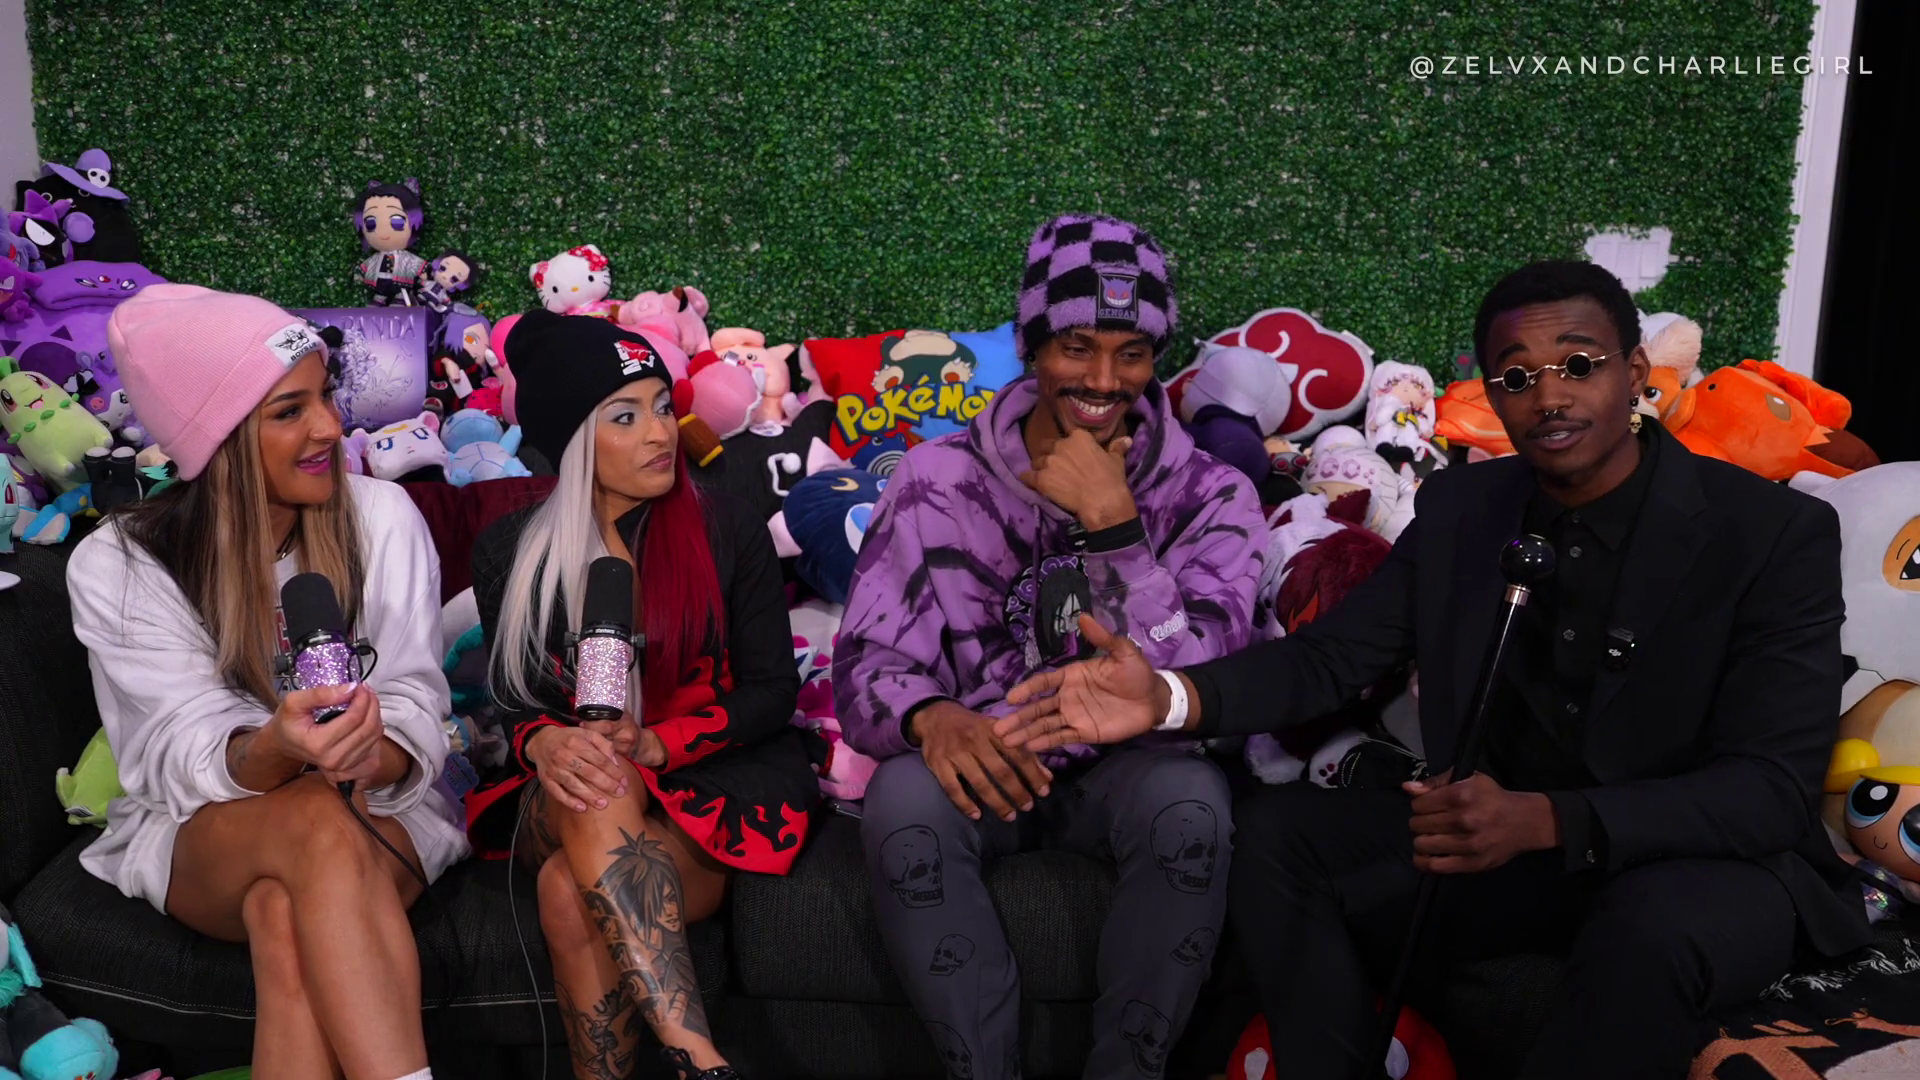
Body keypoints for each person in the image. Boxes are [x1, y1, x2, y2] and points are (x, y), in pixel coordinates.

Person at [995, 259, 1872, 1080]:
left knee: (1648, 931)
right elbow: (1333, 657)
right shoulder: (1466, 507)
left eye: (1578, 365)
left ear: (1636, 371)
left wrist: (1551, 819)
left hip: (1701, 861)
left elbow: (1770, 790)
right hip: (1507, 845)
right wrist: (1165, 697)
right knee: (1279, 835)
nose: (1550, 397)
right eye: (1517, 377)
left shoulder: (1768, 533)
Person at [836, 214, 1268, 1080]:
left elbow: (1211, 685)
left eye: (1131, 353)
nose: (1104, 380)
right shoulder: (934, 480)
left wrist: (1116, 528)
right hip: (989, 757)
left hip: (1132, 767)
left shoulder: (1213, 494)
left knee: (1192, 799)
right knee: (904, 796)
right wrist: (932, 717)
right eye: (1076, 347)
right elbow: (866, 666)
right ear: (1030, 347)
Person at [69, 285, 468, 1080]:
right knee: (313, 815)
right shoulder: (119, 563)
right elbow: (173, 751)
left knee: (284, 914)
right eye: (290, 411)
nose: (331, 427)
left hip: (381, 808)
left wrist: (373, 751)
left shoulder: (384, 517)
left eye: (324, 396)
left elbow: (418, 698)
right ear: (215, 439)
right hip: (205, 828)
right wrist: (276, 748)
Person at [465, 311, 815, 1080]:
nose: (660, 433)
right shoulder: (509, 551)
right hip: (566, 789)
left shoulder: (728, 524)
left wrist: (660, 741)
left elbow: (771, 690)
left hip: (708, 783)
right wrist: (544, 741)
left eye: (663, 406)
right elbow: (515, 704)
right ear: (574, 441)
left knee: (568, 894)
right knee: (600, 776)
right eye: (625, 416)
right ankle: (699, 1057)